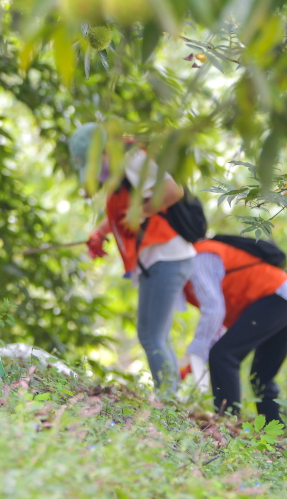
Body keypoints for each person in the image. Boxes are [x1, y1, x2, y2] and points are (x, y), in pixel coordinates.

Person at [69, 123, 194, 393]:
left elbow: (173, 191)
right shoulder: (120, 171)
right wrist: (100, 232)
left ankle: (169, 400)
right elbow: (122, 211)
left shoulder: (133, 159)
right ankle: (171, 397)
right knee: (153, 334)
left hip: (167, 256)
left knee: (152, 335)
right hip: (157, 259)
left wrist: (143, 212)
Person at [182, 237, 287, 422]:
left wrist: (197, 352)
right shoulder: (199, 260)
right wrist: (195, 361)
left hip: (275, 295)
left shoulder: (199, 257)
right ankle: (277, 431)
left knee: (223, 356)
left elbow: (214, 310)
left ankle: (228, 422)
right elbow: (216, 326)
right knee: (261, 377)